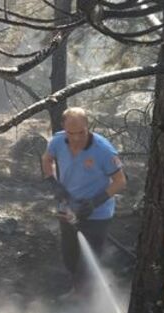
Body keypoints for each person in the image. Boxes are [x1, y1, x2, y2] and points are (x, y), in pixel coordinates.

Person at [40, 107, 127, 295]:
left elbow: (120, 181)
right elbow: (46, 159)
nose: (77, 138)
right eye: (71, 133)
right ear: (64, 128)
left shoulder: (103, 150)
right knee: (70, 256)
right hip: (67, 209)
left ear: (88, 126)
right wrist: (53, 182)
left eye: (81, 132)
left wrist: (95, 202)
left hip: (97, 214)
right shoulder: (57, 141)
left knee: (88, 263)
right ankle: (76, 289)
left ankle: (83, 302)